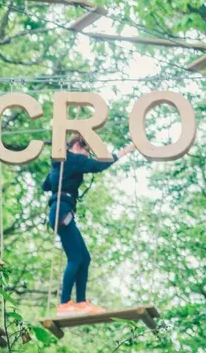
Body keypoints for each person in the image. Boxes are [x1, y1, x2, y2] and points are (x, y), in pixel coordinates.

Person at [42, 133, 134, 315]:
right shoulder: (72, 158)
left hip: (60, 210)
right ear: (78, 145)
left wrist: (59, 172)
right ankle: (64, 304)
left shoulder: (62, 162)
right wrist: (124, 152)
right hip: (62, 210)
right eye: (87, 150)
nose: (88, 155)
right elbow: (98, 165)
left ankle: (81, 302)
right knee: (76, 258)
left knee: (84, 258)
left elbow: (45, 185)